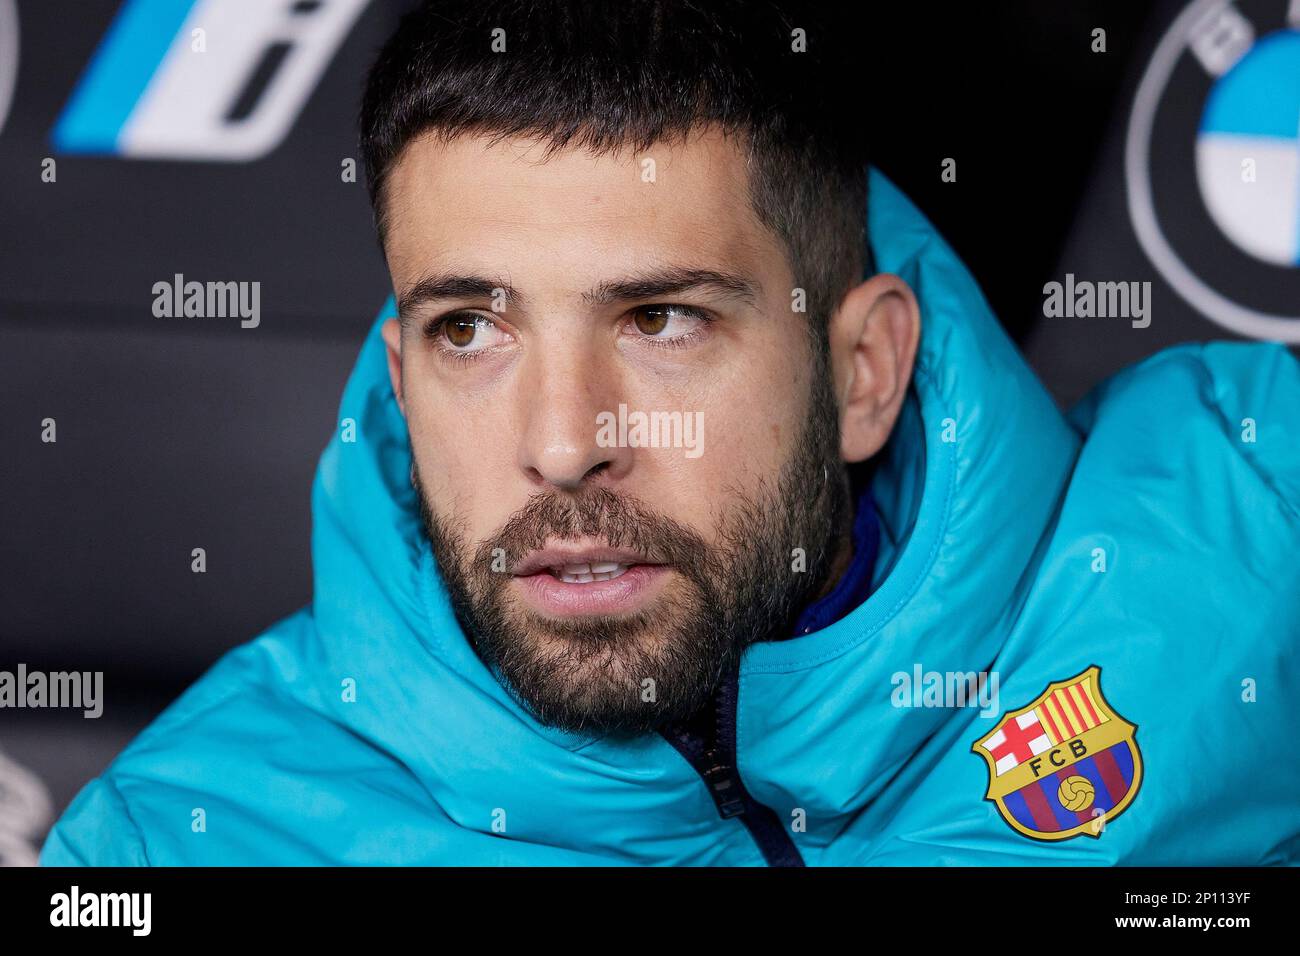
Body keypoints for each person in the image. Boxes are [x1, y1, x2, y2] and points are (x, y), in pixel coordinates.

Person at [41, 0, 1300, 866]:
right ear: (401, 375)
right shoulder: (182, 836)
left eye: (659, 318)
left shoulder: (1252, 520)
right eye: (470, 330)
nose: (561, 441)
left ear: (863, 372)